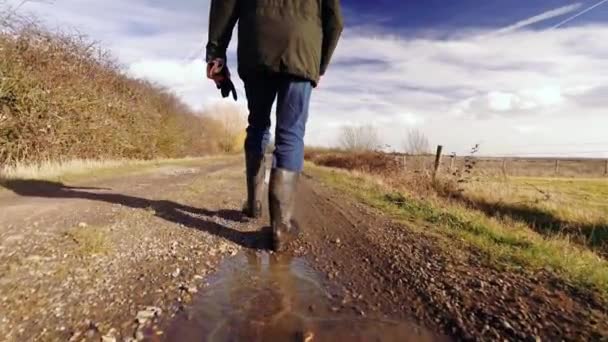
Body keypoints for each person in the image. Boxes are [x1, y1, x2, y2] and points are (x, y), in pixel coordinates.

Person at [206, 0, 343, 252]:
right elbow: (335, 21)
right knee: (290, 133)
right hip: (303, 50)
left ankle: (253, 204)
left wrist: (215, 54)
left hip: (256, 47)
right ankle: (281, 227)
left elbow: (224, 7)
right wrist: (319, 65)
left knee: (257, 124)